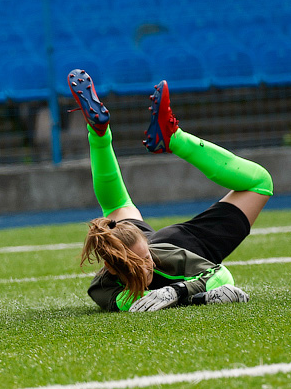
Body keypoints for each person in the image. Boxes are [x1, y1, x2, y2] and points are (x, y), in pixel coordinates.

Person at [67, 69, 273, 313]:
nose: (150, 265)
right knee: (116, 206)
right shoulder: (102, 289)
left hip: (188, 243)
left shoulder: (160, 257)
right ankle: (103, 134)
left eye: (146, 257)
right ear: (112, 269)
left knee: (261, 182)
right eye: (140, 262)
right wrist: (196, 297)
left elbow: (222, 276)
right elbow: (137, 302)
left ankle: (128, 136)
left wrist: (176, 290)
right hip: (158, 244)